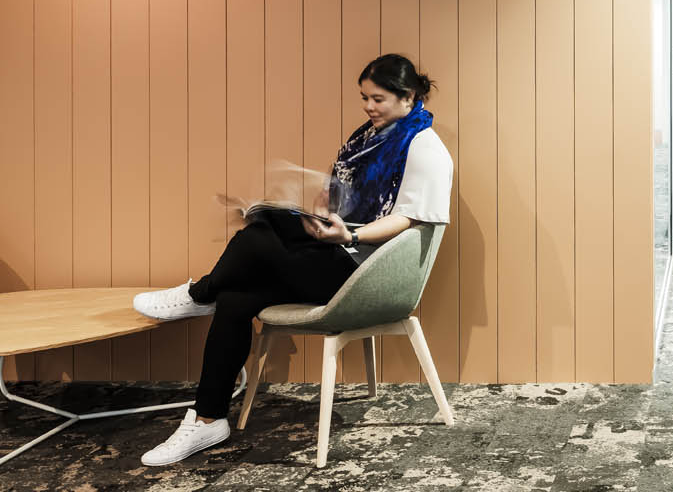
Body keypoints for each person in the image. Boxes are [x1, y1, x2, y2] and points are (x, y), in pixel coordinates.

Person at [132, 54, 452, 466]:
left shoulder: (425, 147)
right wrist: (324, 205)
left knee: (258, 237)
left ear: (408, 97)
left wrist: (350, 233)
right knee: (241, 288)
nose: (369, 107)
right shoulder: (368, 138)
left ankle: (199, 293)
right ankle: (208, 419)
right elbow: (344, 193)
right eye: (364, 98)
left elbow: (409, 219)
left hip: (367, 272)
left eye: (379, 99)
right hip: (336, 254)